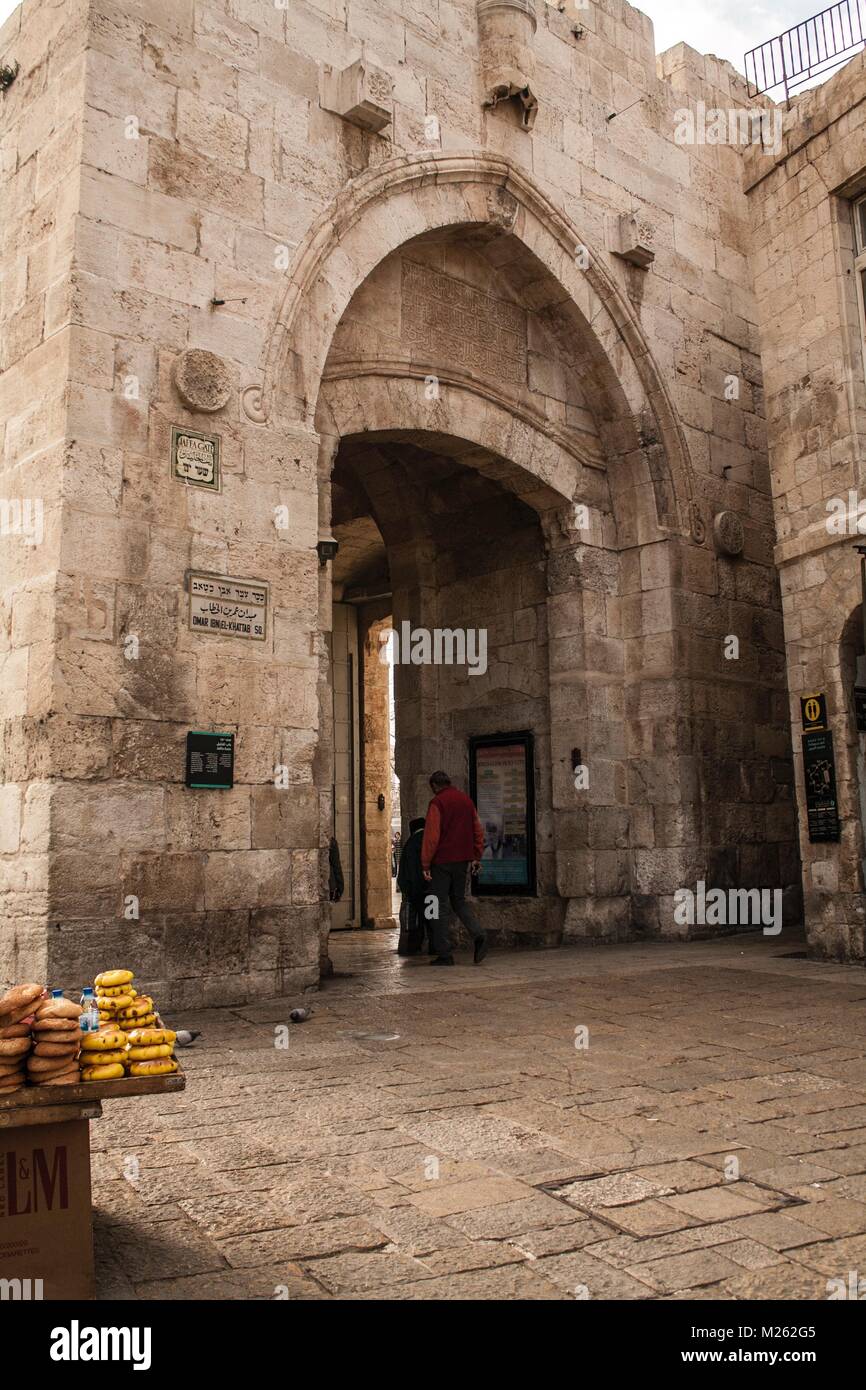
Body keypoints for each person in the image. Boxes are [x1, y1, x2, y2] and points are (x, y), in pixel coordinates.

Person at [421, 771, 488, 966]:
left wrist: (425, 863)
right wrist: (477, 855)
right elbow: (478, 830)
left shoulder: (437, 803)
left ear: (434, 785)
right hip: (463, 861)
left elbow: (431, 836)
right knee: (458, 901)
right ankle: (479, 933)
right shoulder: (466, 801)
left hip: (441, 862)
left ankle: (444, 952)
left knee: (436, 904)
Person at [396, 817, 428, 956]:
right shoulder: (429, 841)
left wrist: (408, 889)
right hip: (430, 888)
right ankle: (433, 946)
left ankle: (412, 946)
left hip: (414, 890)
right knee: (430, 918)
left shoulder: (411, 843)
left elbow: (408, 871)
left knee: (412, 920)